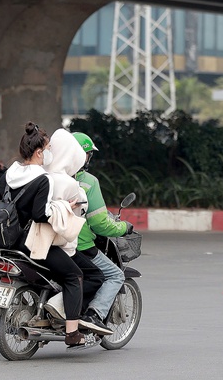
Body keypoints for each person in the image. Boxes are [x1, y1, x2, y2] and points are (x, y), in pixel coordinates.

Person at [0, 121, 101, 348]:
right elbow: (40, 215)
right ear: (39, 152)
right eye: (48, 149)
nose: (51, 153)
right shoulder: (42, 179)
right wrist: (65, 206)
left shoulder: (7, 174)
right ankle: (72, 333)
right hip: (32, 242)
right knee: (74, 275)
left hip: (8, 240)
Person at [42, 128, 109, 334]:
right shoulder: (73, 183)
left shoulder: (30, 173)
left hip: (21, 240)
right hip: (55, 243)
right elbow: (94, 221)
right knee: (81, 276)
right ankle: (72, 330)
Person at [68, 131, 132, 332]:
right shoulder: (88, 182)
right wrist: (123, 227)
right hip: (80, 245)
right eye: (88, 154)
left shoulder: (48, 175)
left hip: (47, 243)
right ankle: (93, 315)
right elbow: (99, 224)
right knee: (115, 275)